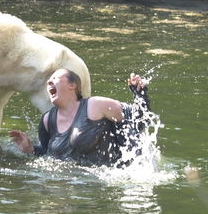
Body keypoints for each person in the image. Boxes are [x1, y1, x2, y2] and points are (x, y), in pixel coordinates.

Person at [9, 69, 151, 167]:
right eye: (48, 81)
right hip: (70, 187)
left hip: (107, 182)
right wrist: (30, 149)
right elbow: (47, 155)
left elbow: (139, 121)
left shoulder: (96, 105)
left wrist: (140, 94)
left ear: (72, 85)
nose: (49, 83)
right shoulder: (47, 120)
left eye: (55, 78)